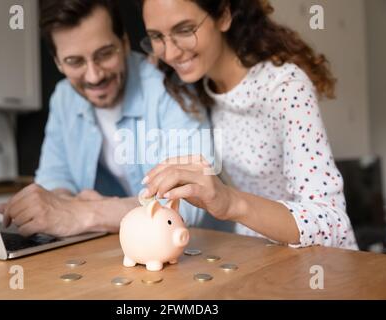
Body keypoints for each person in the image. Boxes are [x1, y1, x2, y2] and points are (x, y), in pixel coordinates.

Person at [139, 0, 358, 249]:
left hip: (323, 266)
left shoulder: (284, 87)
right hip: (258, 257)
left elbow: (332, 221)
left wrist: (231, 202)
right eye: (157, 36)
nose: (170, 53)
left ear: (223, 15)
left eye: (185, 30)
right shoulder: (197, 88)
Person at [0, 0, 212, 237]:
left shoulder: (170, 86)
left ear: (125, 42)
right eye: (74, 61)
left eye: (105, 54)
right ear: (58, 62)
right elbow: (55, 176)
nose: (94, 75)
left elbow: (190, 201)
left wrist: (84, 213)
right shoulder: (64, 97)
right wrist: (54, 206)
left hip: (193, 247)